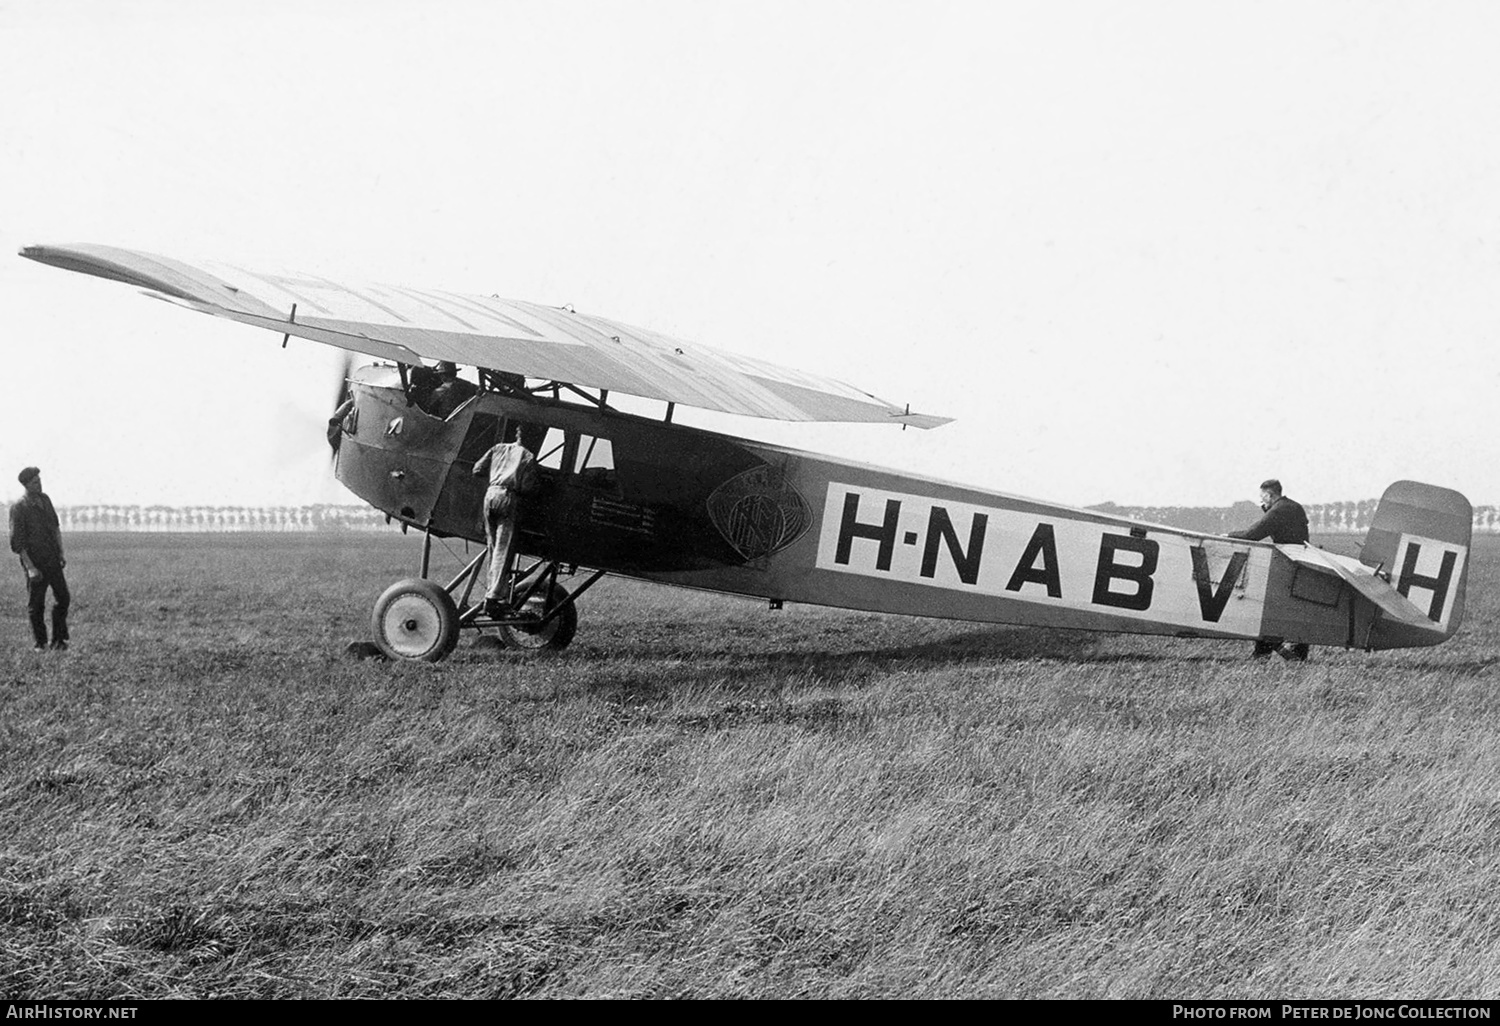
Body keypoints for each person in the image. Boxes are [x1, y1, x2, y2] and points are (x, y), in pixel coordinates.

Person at [1229, 478, 1310, 660]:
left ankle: (1264, 651)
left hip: (1287, 563)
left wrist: (1228, 536)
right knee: (1294, 607)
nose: (1261, 501)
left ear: (1269, 494)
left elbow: (1253, 534)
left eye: (1262, 497)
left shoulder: (1280, 509)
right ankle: (1293, 651)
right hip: (1298, 561)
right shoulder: (1292, 507)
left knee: (1270, 606)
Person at [472, 440, 537, 616]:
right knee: (504, 549)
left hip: (490, 494)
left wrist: (495, 475)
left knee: (493, 548)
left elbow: (477, 469)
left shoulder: (497, 448)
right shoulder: (527, 455)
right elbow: (527, 487)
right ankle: (493, 598)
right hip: (508, 498)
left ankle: (492, 593)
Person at [9, 467, 70, 651]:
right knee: (36, 604)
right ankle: (40, 643)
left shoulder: (45, 500)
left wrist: (60, 553)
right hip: (35, 562)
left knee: (63, 598)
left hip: (52, 558)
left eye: (40, 480)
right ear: (26, 485)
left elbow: (55, 528)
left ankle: (58, 640)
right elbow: (17, 543)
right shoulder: (19, 508)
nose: (39, 484)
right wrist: (30, 567)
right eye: (35, 482)